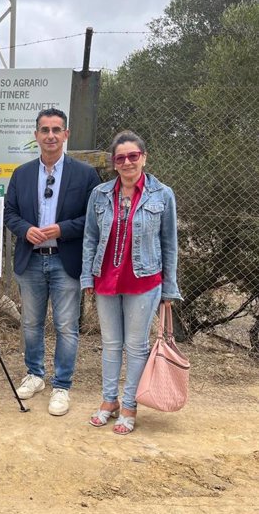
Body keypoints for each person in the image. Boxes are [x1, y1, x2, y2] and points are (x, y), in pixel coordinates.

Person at [81, 130, 181, 434]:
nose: (127, 162)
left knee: (136, 346)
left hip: (145, 279)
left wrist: (169, 288)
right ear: (114, 163)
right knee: (110, 344)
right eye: (121, 158)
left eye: (133, 156)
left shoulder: (162, 194)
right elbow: (90, 237)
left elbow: (169, 243)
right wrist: (87, 275)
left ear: (144, 158)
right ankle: (108, 400)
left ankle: (129, 404)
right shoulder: (99, 194)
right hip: (106, 278)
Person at [4, 108, 101, 416]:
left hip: (65, 260)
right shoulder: (22, 174)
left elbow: (92, 218)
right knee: (31, 324)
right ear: (36, 136)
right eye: (44, 130)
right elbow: (9, 214)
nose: (50, 136)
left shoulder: (84, 174)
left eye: (56, 130)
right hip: (31, 261)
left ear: (66, 135)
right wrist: (25, 229)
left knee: (66, 326)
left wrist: (62, 229)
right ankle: (35, 375)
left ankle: (62, 385)